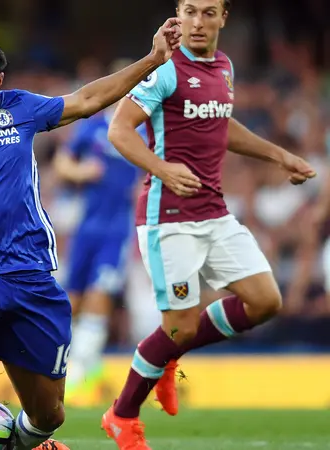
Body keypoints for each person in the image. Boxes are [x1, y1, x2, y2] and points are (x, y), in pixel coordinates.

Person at [0, 23, 183, 450]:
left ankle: (24, 442)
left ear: (0, 81)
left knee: (49, 414)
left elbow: (87, 100)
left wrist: (153, 59)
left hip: (30, 273)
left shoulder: (20, 109)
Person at [101, 1, 316, 448]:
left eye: (208, 13)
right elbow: (119, 130)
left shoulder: (224, 67)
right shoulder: (165, 69)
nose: (198, 22)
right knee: (177, 326)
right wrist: (162, 169)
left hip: (214, 213)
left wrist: (280, 155)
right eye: (190, 12)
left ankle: (167, 353)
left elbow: (221, 124)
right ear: (178, 15)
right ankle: (121, 414)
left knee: (264, 301)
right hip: (168, 218)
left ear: (223, 18)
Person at [53, 92, 145, 404]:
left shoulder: (143, 132)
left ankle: (79, 373)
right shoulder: (91, 129)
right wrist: (81, 172)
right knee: (71, 300)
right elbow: (62, 162)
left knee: (99, 295)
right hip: (86, 227)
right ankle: (74, 367)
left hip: (118, 231)